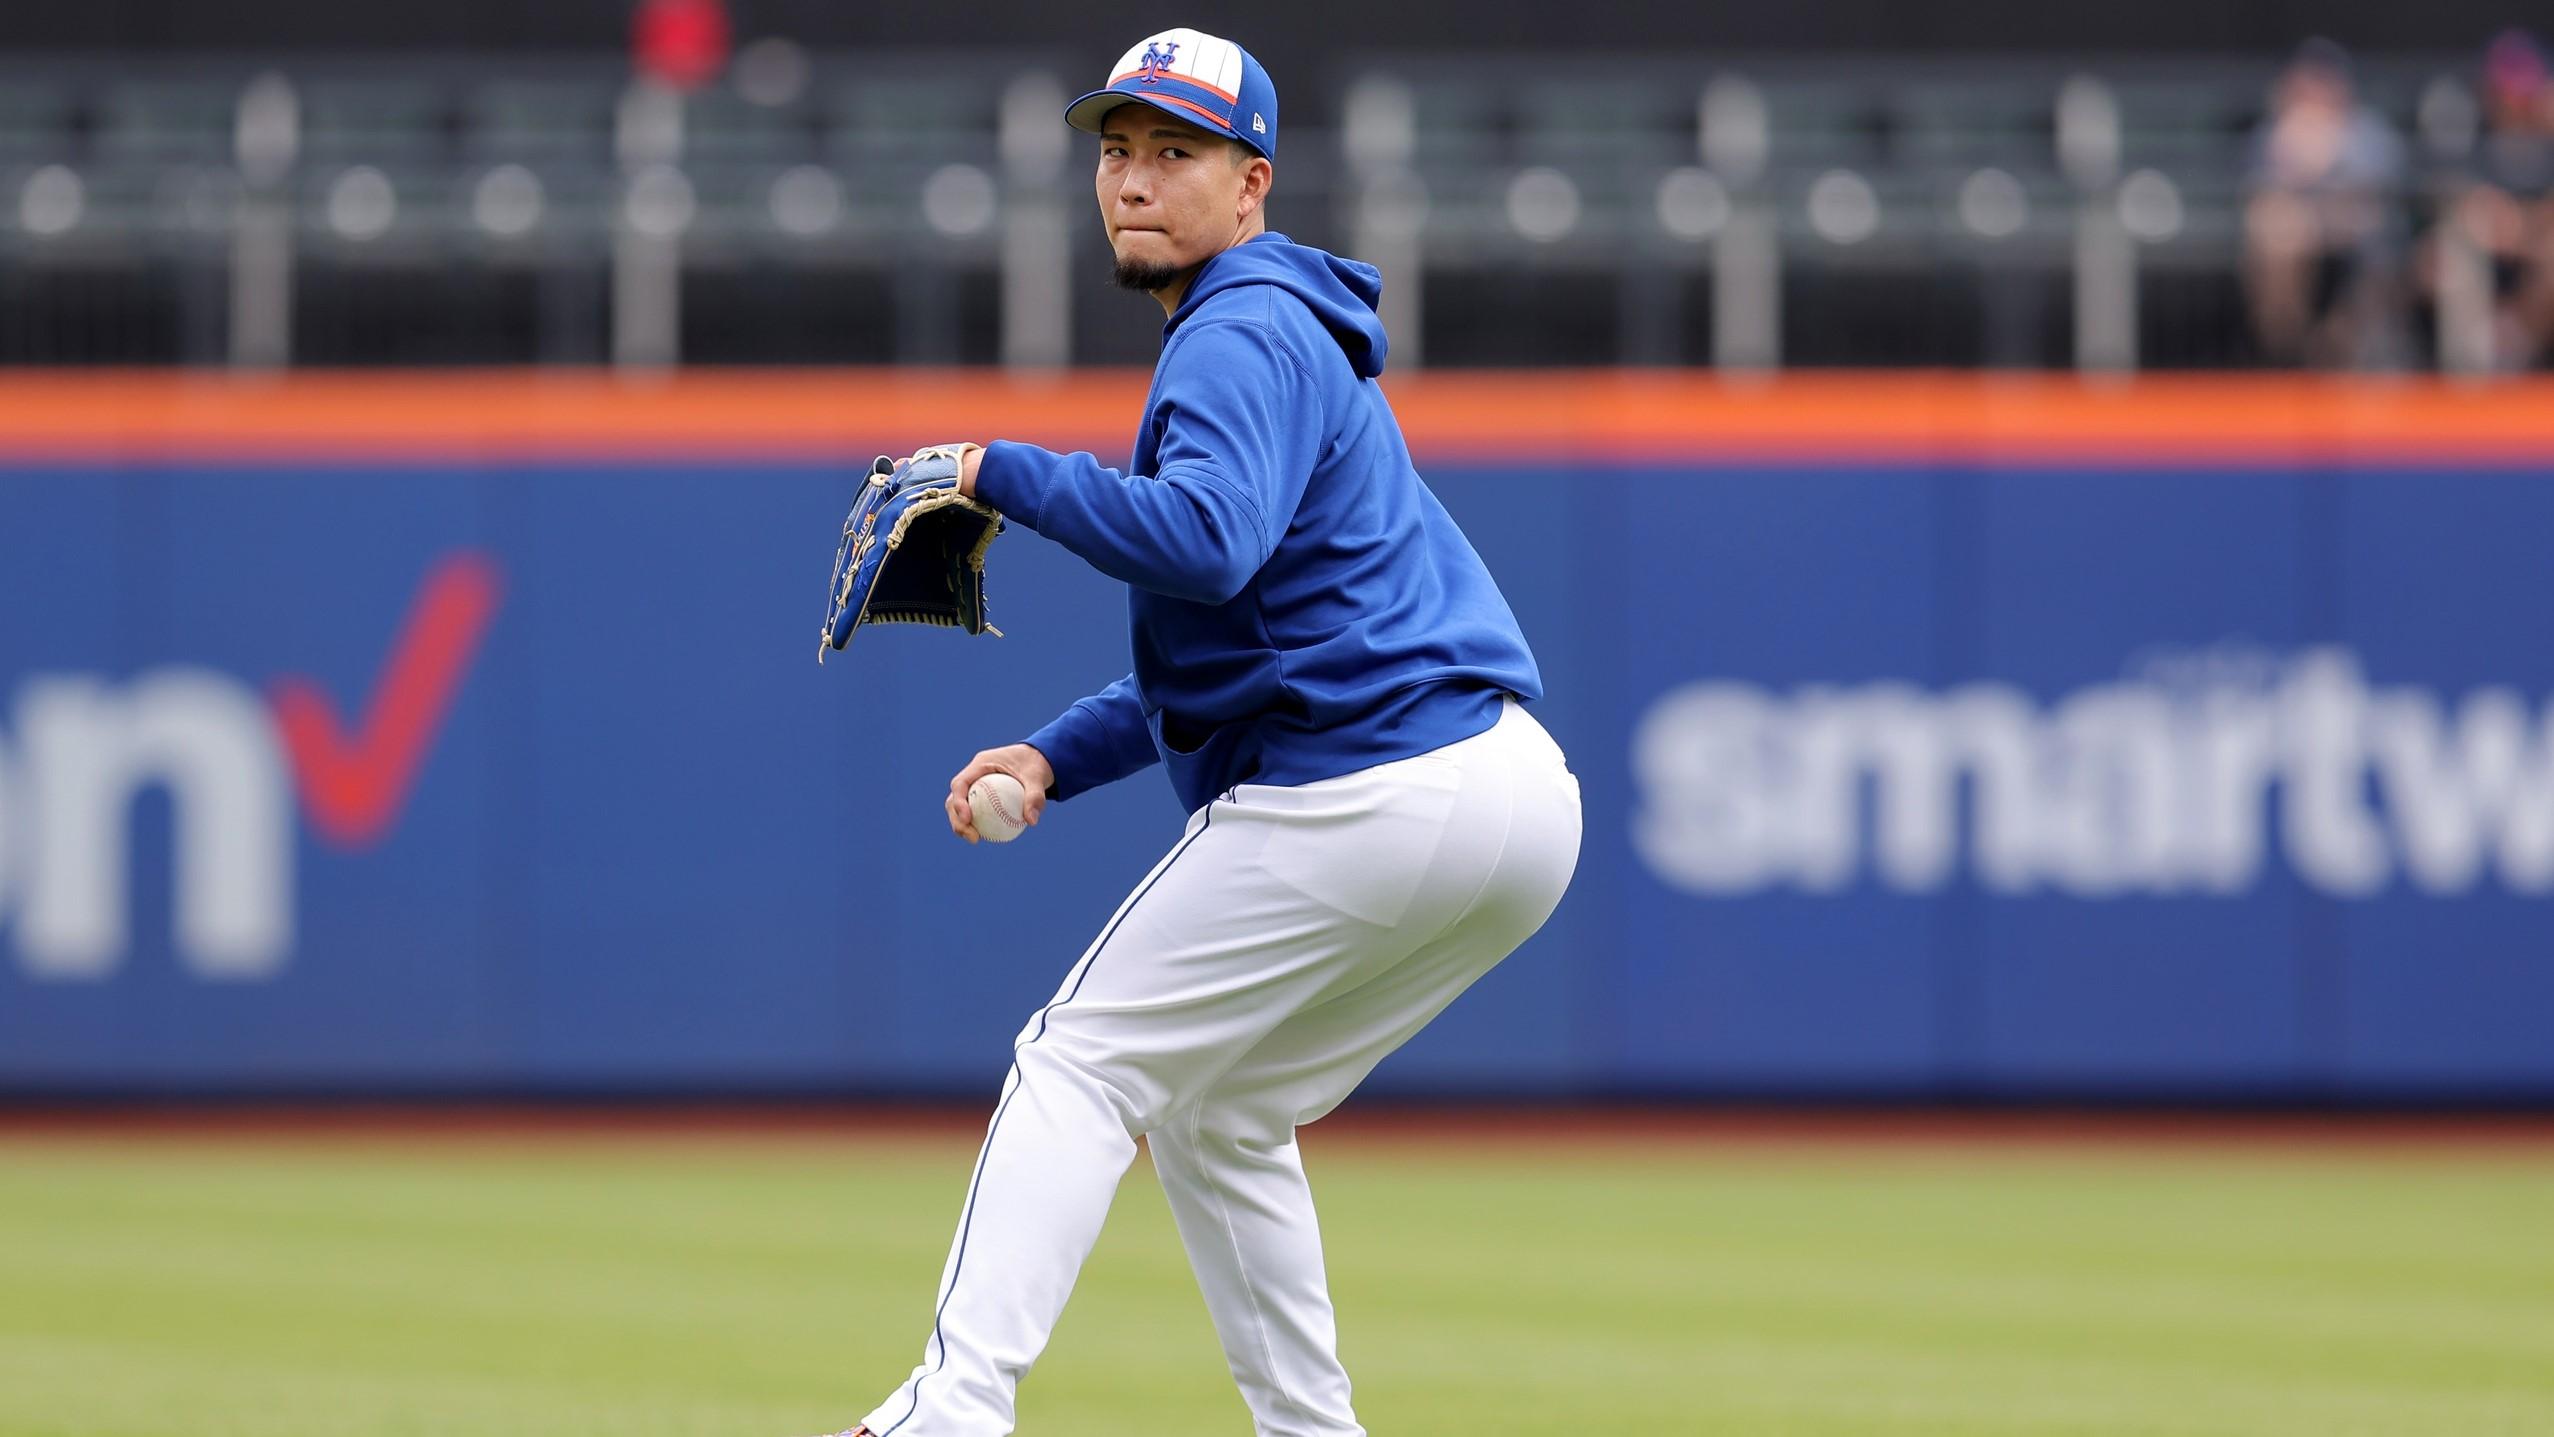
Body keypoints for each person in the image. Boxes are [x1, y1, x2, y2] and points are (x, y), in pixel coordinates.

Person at [814, 27, 1582, 1437]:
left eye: (1176, 151)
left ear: (1253, 186)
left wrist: (1002, 469)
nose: (1133, 179)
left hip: (1370, 791)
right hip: (1509, 800)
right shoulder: (1286, 336)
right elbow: (1238, 647)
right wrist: (1054, 754)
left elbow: (1208, 546)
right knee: (1222, 1117)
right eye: (1116, 150)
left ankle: (951, 1410)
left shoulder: (1236, 326)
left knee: (1078, 1061)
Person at [2241, 37, 2410, 367]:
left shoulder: (2369, 131)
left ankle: (2332, 353)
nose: (2313, 91)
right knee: (2274, 232)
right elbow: (2261, 196)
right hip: (2300, 253)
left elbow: (2376, 198)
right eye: (2305, 81)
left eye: (2322, 81)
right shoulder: (2274, 133)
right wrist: (2293, 158)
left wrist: (2328, 160)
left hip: (2365, 251)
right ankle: (2289, 355)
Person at [2422, 29, 2554, 369]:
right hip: (2481, 254)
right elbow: (2458, 204)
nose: (2515, 101)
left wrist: (2524, 228)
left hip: (2534, 253)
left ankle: (2517, 347)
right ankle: (2471, 377)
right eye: (2507, 92)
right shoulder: (2469, 134)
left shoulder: (2547, 138)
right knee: (2447, 259)